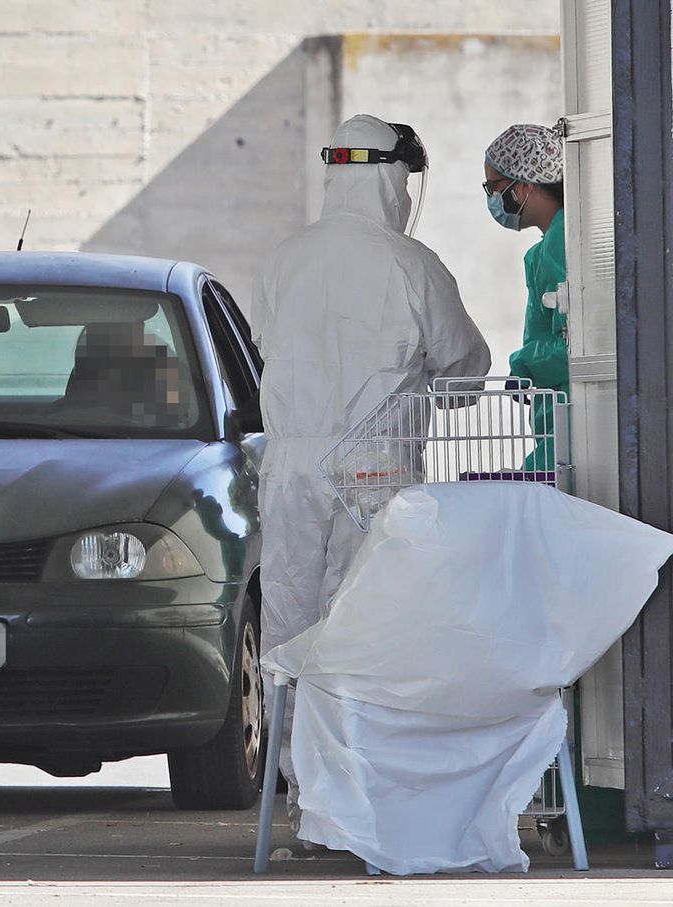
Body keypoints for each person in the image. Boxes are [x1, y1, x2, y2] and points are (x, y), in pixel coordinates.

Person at [251, 113, 491, 829]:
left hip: (289, 459)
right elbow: (466, 366)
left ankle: (298, 789)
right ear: (393, 178)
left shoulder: (283, 259)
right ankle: (361, 787)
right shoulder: (409, 263)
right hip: (373, 461)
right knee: (366, 618)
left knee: (290, 616)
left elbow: (270, 345)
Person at [483, 123, 567, 473]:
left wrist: (526, 365)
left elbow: (576, 345)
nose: (491, 198)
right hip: (556, 422)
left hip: (571, 422)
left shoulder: (562, 245)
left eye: (495, 187)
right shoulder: (546, 249)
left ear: (526, 183)